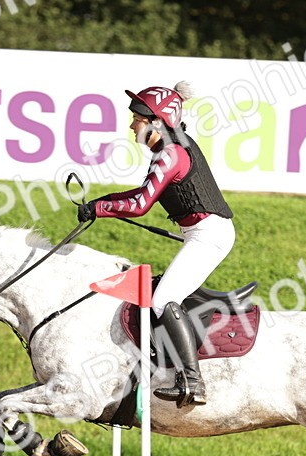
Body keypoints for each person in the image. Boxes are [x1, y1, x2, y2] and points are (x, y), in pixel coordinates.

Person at [77, 81, 236, 407]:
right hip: (203, 232)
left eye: (138, 118)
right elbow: (138, 196)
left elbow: (140, 204)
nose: (132, 125)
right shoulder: (171, 145)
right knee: (163, 295)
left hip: (209, 235)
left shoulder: (170, 153)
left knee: (163, 299)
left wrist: (100, 207)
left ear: (156, 122)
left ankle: (192, 381)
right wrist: (100, 203)